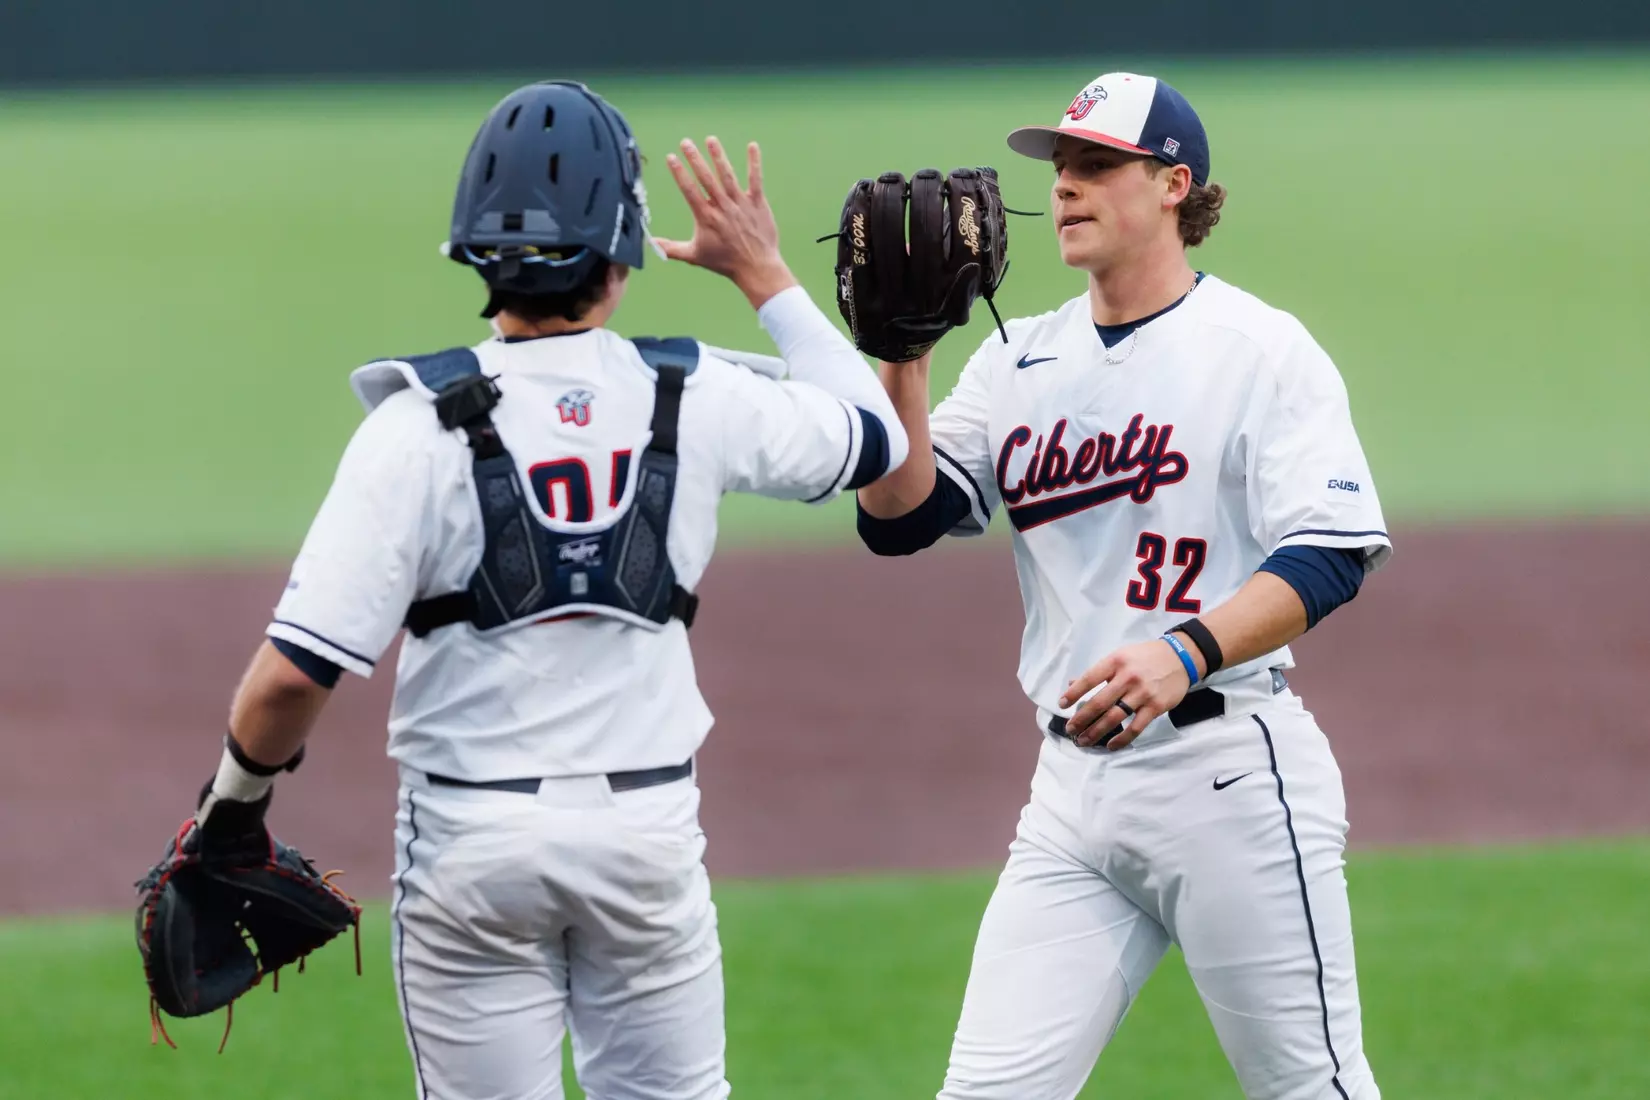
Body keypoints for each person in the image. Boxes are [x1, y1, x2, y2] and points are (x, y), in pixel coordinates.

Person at [182, 79, 907, 1099]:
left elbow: (291, 679)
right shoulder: (694, 395)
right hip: (645, 840)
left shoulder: (412, 427)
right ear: (622, 252)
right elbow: (875, 435)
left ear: (472, 248)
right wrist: (766, 276)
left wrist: (234, 809)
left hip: (472, 850)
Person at [855, 71, 1389, 1099]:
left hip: (1228, 772)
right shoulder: (1018, 360)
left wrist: (1183, 647)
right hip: (1069, 797)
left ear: (1174, 184)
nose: (1065, 186)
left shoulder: (1258, 349)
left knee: (1311, 1085)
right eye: (1060, 167)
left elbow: (1329, 552)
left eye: (1097, 165)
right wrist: (905, 364)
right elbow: (900, 517)